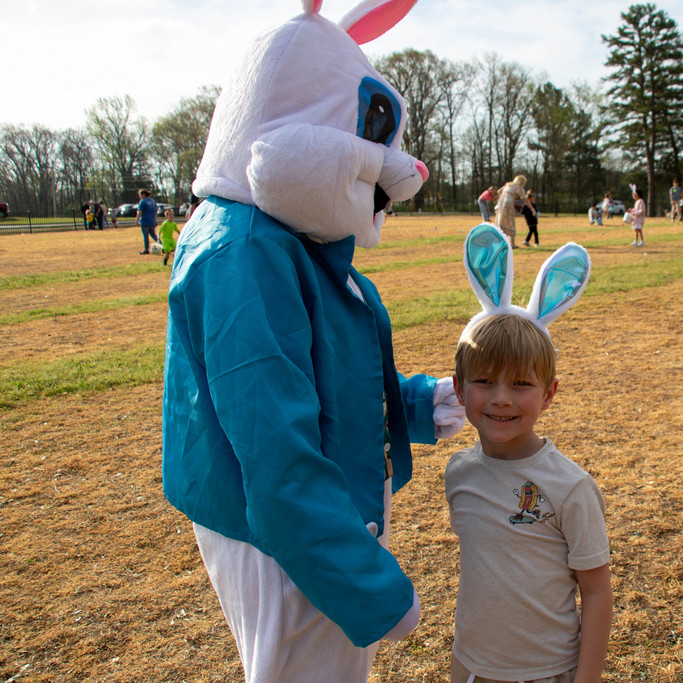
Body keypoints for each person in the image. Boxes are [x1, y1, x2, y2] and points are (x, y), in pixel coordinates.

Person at [162, 4, 467, 682]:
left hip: (312, 518)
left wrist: (425, 403)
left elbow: (333, 376)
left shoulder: (288, 239)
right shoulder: (244, 251)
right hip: (282, 538)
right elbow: (277, 457)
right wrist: (367, 584)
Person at [447, 312, 611, 683]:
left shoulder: (571, 487)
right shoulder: (459, 473)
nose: (501, 399)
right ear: (459, 388)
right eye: (485, 381)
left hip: (548, 672)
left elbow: (597, 591)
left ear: (549, 393)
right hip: (470, 665)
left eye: (521, 383)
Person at [494, 175, 533, 247]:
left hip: (501, 203)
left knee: (501, 222)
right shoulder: (518, 187)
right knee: (510, 222)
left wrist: (502, 196)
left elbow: (498, 191)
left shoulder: (508, 185)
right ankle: (512, 243)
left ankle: (500, 241)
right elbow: (524, 199)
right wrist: (532, 209)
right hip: (508, 204)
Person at [136, 189, 159, 254]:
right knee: (153, 235)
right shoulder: (153, 201)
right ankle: (161, 244)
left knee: (145, 236)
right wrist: (155, 220)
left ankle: (146, 249)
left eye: (140, 195)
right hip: (152, 221)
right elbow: (155, 212)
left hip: (145, 221)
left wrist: (137, 220)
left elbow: (140, 212)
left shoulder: (142, 202)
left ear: (143, 194)